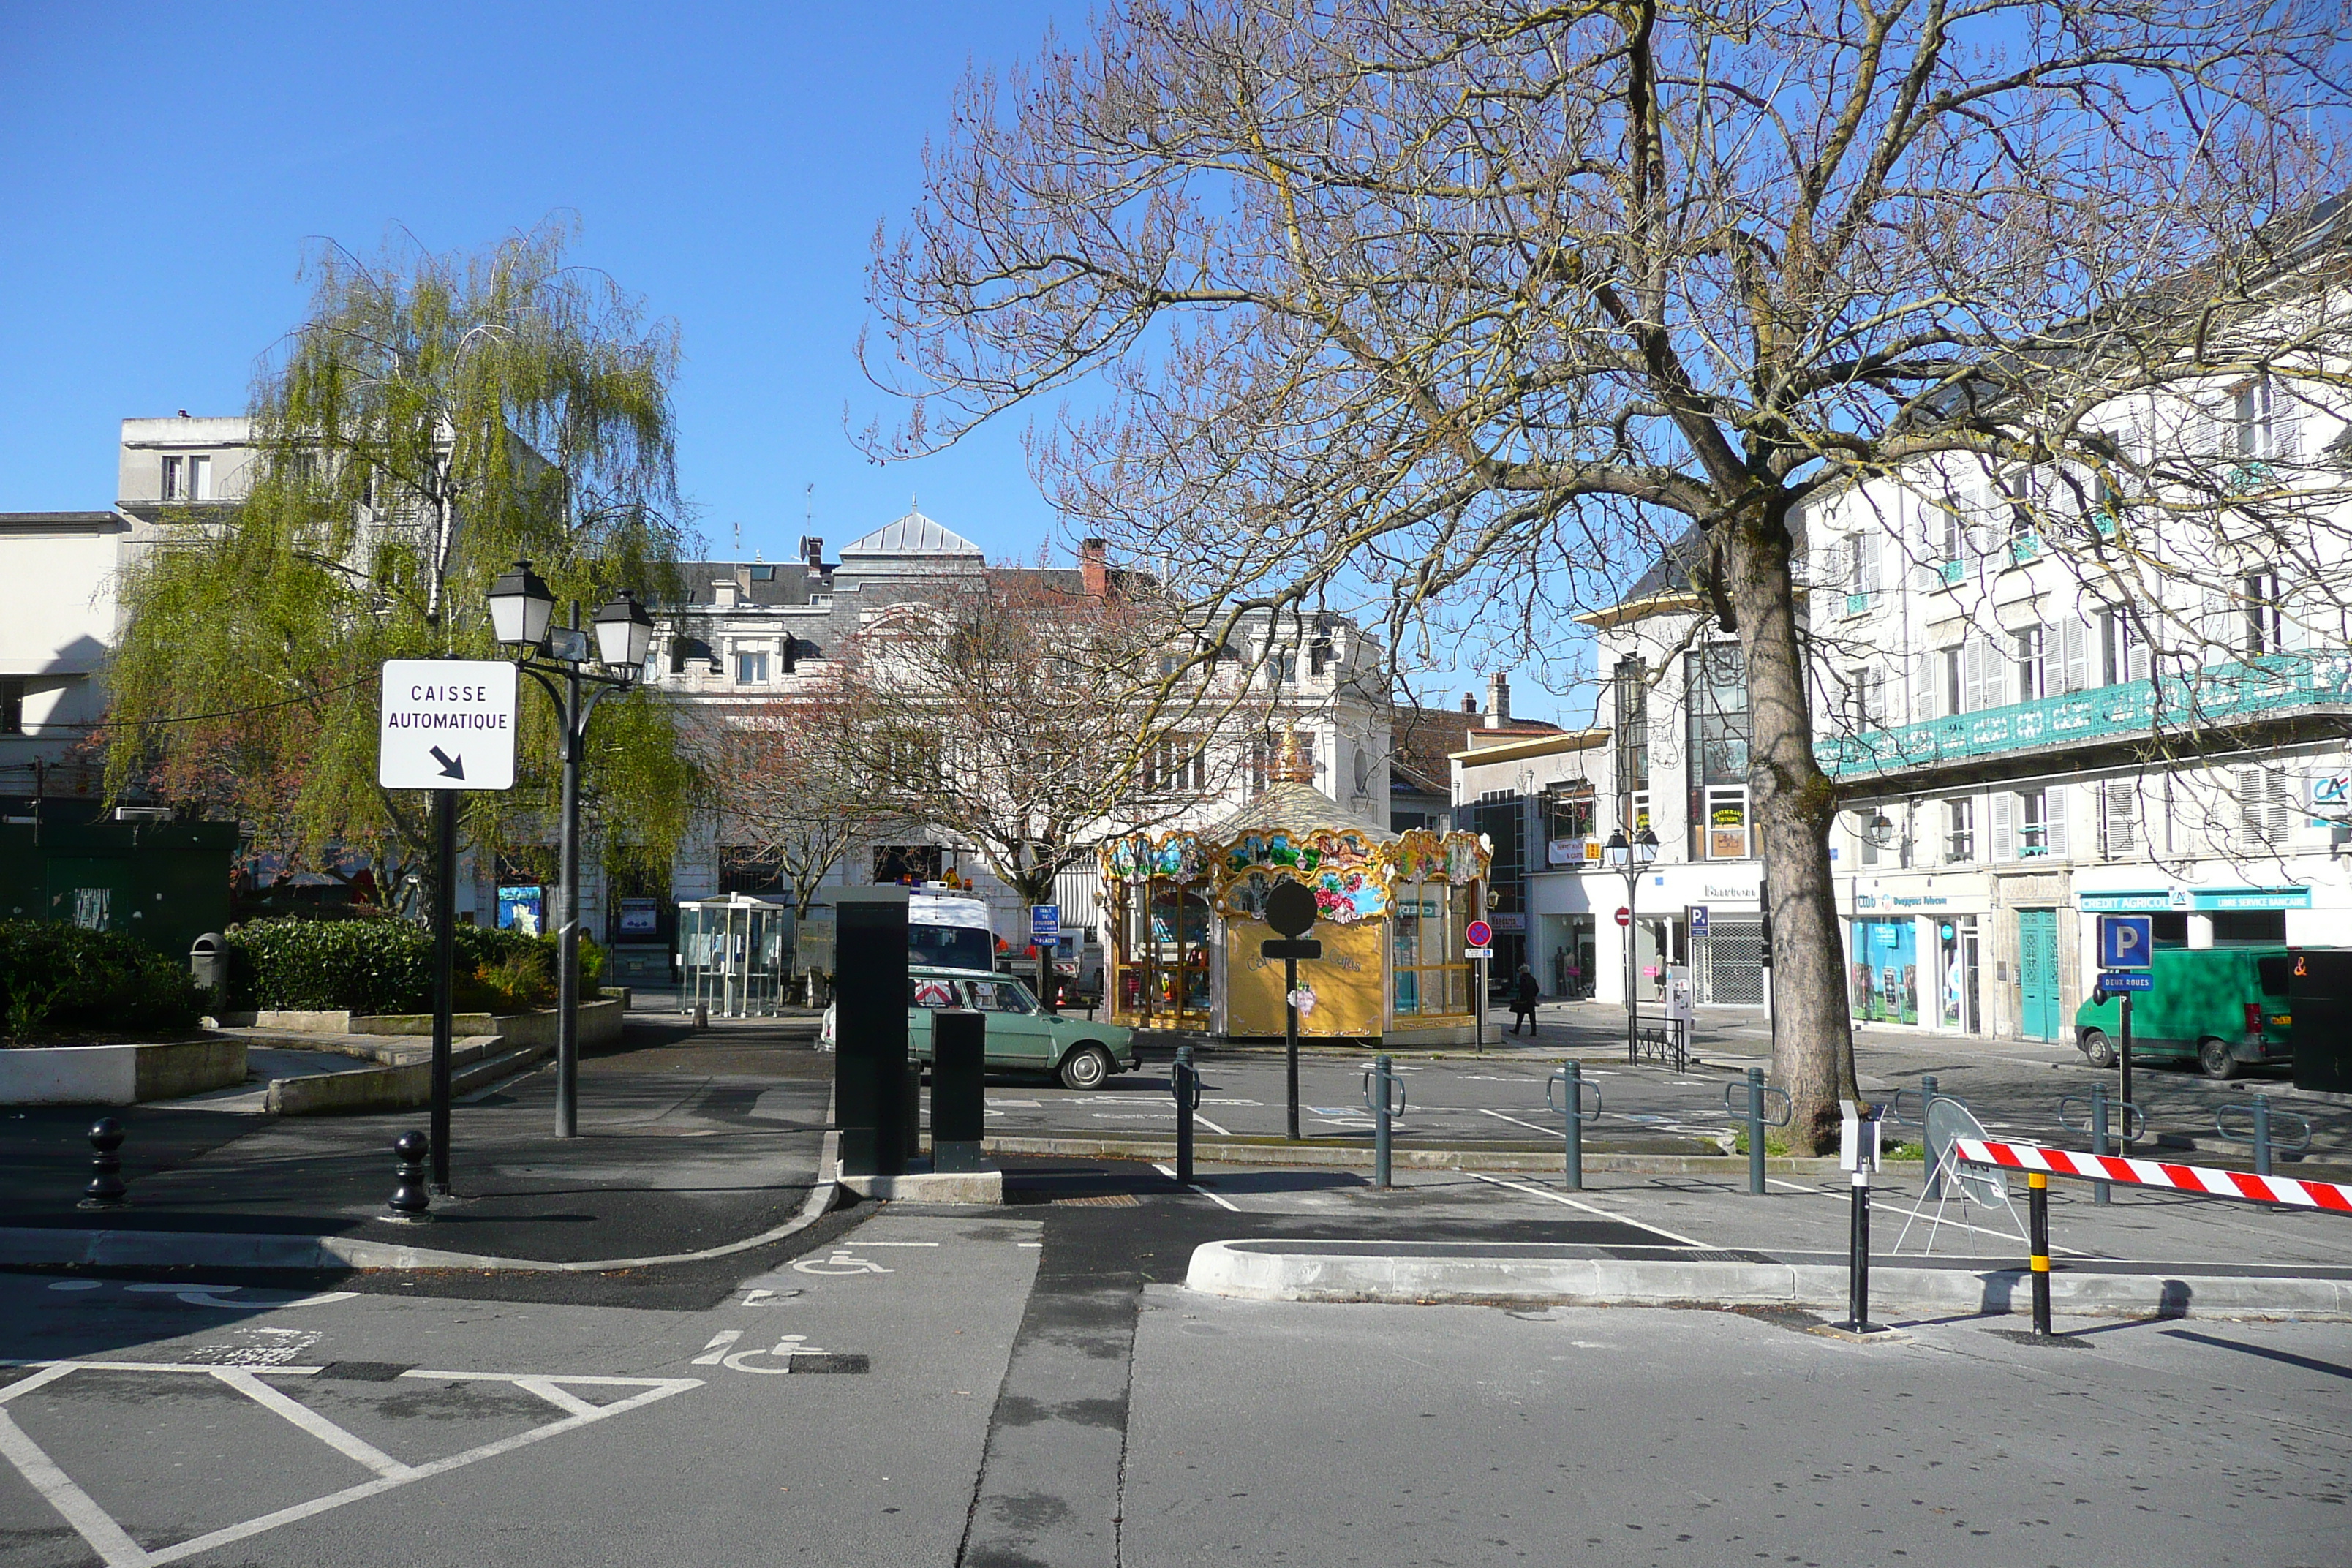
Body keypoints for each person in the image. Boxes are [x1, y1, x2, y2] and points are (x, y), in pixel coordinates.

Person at [1511, 964, 1540, 1035]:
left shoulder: (1522, 979)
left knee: (1520, 1015)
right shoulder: (1532, 979)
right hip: (1531, 1000)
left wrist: (1520, 998)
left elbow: (1522, 990)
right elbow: (1537, 989)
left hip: (1524, 1001)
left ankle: (1517, 1030)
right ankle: (1534, 1031)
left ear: (1522, 971)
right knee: (1532, 1017)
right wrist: (1533, 995)